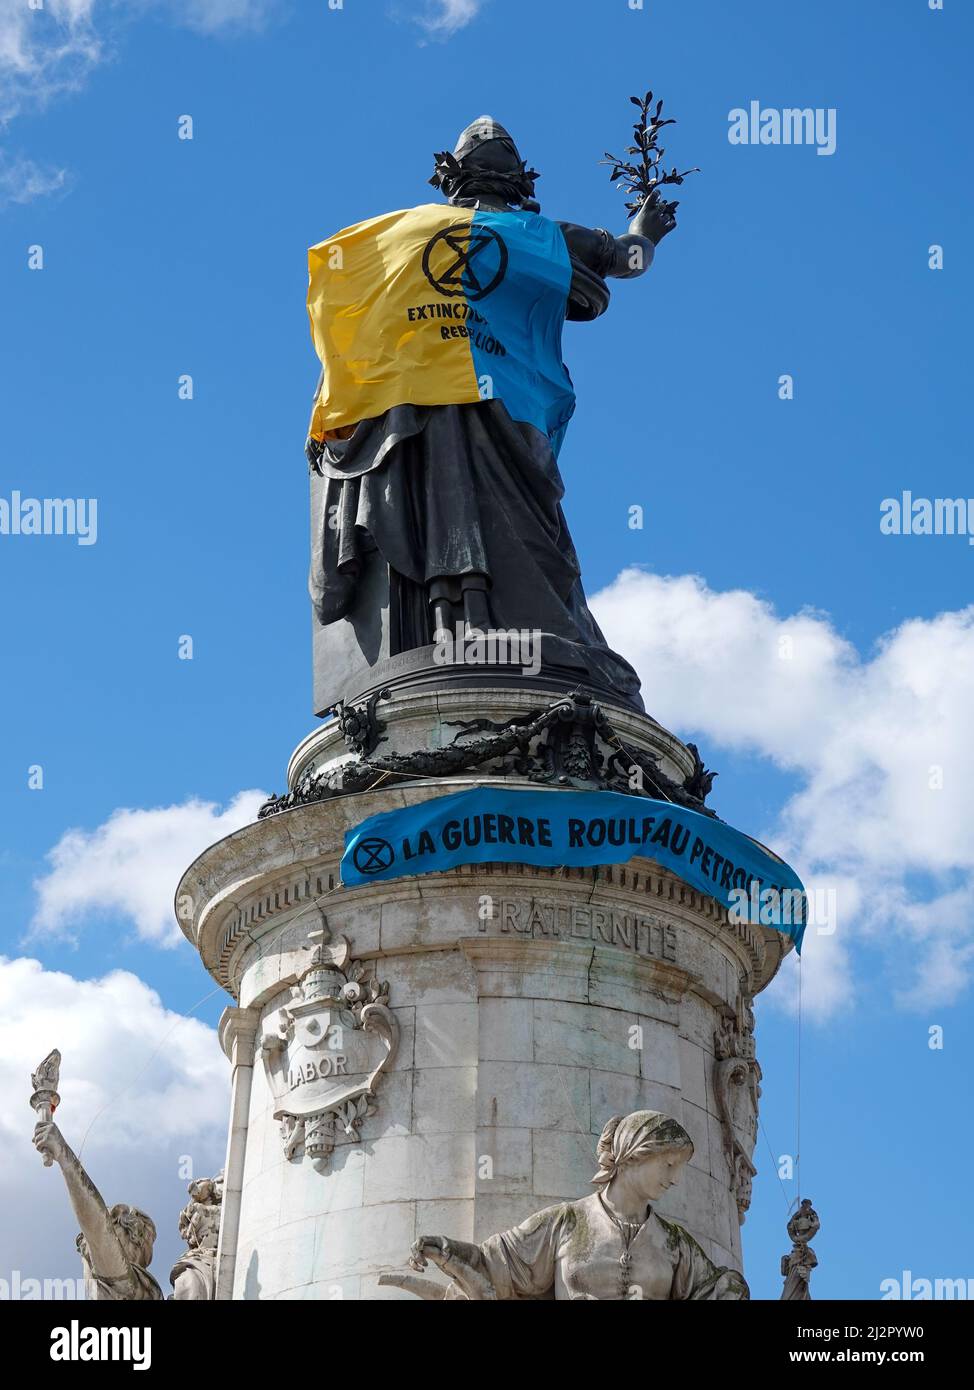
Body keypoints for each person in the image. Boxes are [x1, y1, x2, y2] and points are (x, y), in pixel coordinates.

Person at [307, 118, 678, 709]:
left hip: (409, 415)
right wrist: (648, 226)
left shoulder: (393, 241)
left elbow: (350, 330)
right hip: (506, 412)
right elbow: (626, 258)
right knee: (527, 532)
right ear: (520, 180)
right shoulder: (533, 236)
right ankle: (520, 637)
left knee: (444, 513)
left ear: (450, 178)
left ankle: (452, 629)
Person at [391, 1110, 749, 1300]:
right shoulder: (567, 1222)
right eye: (668, 1165)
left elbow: (717, 1292)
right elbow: (497, 1264)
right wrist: (449, 1252)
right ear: (633, 1156)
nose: (675, 1179)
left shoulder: (675, 1243)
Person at [33, 1119, 162, 1301]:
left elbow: (98, 1227)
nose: (88, 1241)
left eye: (113, 1230)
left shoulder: (125, 1285)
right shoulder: (142, 1290)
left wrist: (63, 1154)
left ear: (129, 1237)